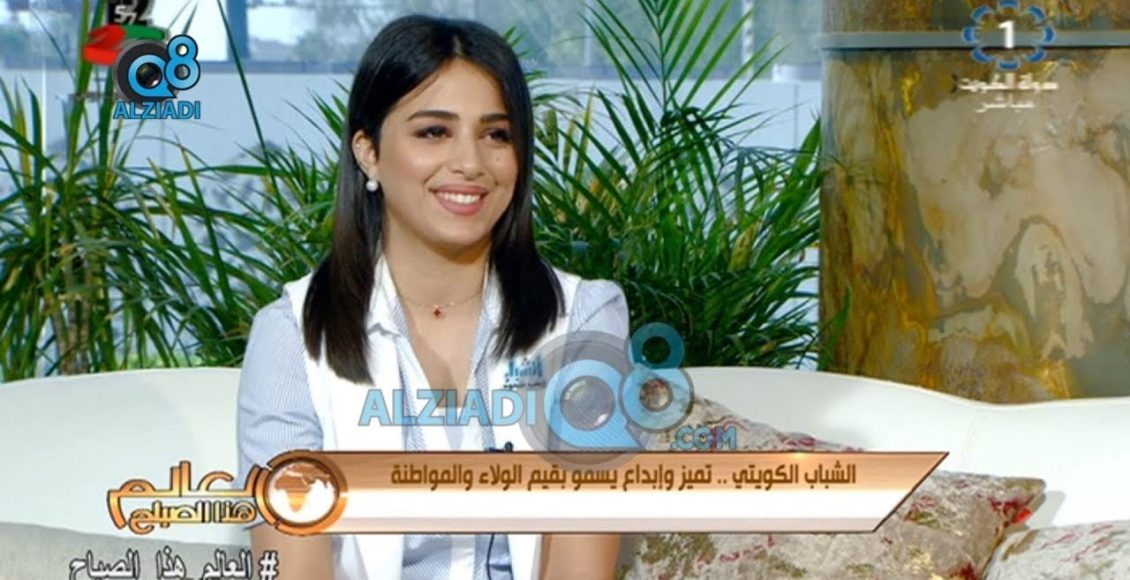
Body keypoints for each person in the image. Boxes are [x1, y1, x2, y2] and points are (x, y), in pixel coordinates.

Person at [236, 14, 627, 580]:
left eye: (497, 135)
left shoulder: (585, 318)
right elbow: (296, 567)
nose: (471, 163)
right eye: (434, 132)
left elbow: (579, 569)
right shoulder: (293, 336)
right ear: (368, 152)